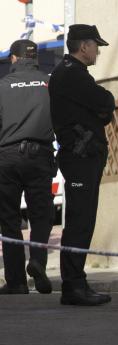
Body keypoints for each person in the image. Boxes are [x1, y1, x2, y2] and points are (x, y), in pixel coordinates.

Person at [48, 24, 114, 306]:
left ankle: (76, 282)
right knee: (79, 221)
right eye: (95, 45)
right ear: (84, 46)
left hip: (83, 155)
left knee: (82, 219)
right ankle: (73, 285)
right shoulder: (72, 74)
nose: (98, 50)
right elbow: (105, 101)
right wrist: (101, 108)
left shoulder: (71, 74)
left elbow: (103, 110)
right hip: (80, 156)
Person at [0, 39, 55, 295]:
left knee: (9, 219)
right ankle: (37, 261)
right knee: (41, 215)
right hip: (40, 154)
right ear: (34, 59)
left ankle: (16, 282)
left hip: (7, 157)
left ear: (13, 59)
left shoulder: (2, 86)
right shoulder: (49, 83)